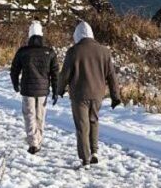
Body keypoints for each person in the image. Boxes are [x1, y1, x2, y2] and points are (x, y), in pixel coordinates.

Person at [58, 21, 122, 168]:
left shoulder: (73, 51)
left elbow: (64, 75)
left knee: (82, 126)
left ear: (77, 35)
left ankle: (85, 158)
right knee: (94, 121)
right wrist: (115, 96)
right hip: (97, 94)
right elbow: (111, 76)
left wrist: (59, 90)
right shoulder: (104, 52)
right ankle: (94, 152)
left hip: (79, 95)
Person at [10, 20, 59, 155]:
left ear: (29, 35)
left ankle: (33, 142)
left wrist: (15, 83)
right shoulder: (49, 52)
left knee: (29, 115)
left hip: (27, 89)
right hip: (43, 90)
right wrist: (55, 90)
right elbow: (55, 73)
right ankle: (39, 140)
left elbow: (14, 70)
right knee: (40, 116)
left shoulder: (23, 52)